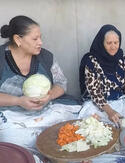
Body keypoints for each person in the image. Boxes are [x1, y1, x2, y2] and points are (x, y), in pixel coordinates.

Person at [0, 15, 81, 149]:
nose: (40, 42)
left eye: (40, 37)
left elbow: (61, 83)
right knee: (13, 141)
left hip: (46, 110)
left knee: (74, 128)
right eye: (35, 39)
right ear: (18, 39)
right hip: (12, 115)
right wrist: (18, 101)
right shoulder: (1, 58)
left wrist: (49, 96)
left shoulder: (46, 56)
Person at [79, 24, 125, 126]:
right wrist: (109, 111)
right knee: (93, 122)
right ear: (101, 43)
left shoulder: (124, 59)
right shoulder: (91, 61)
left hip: (121, 100)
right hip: (100, 105)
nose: (113, 47)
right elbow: (94, 92)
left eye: (116, 42)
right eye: (109, 43)